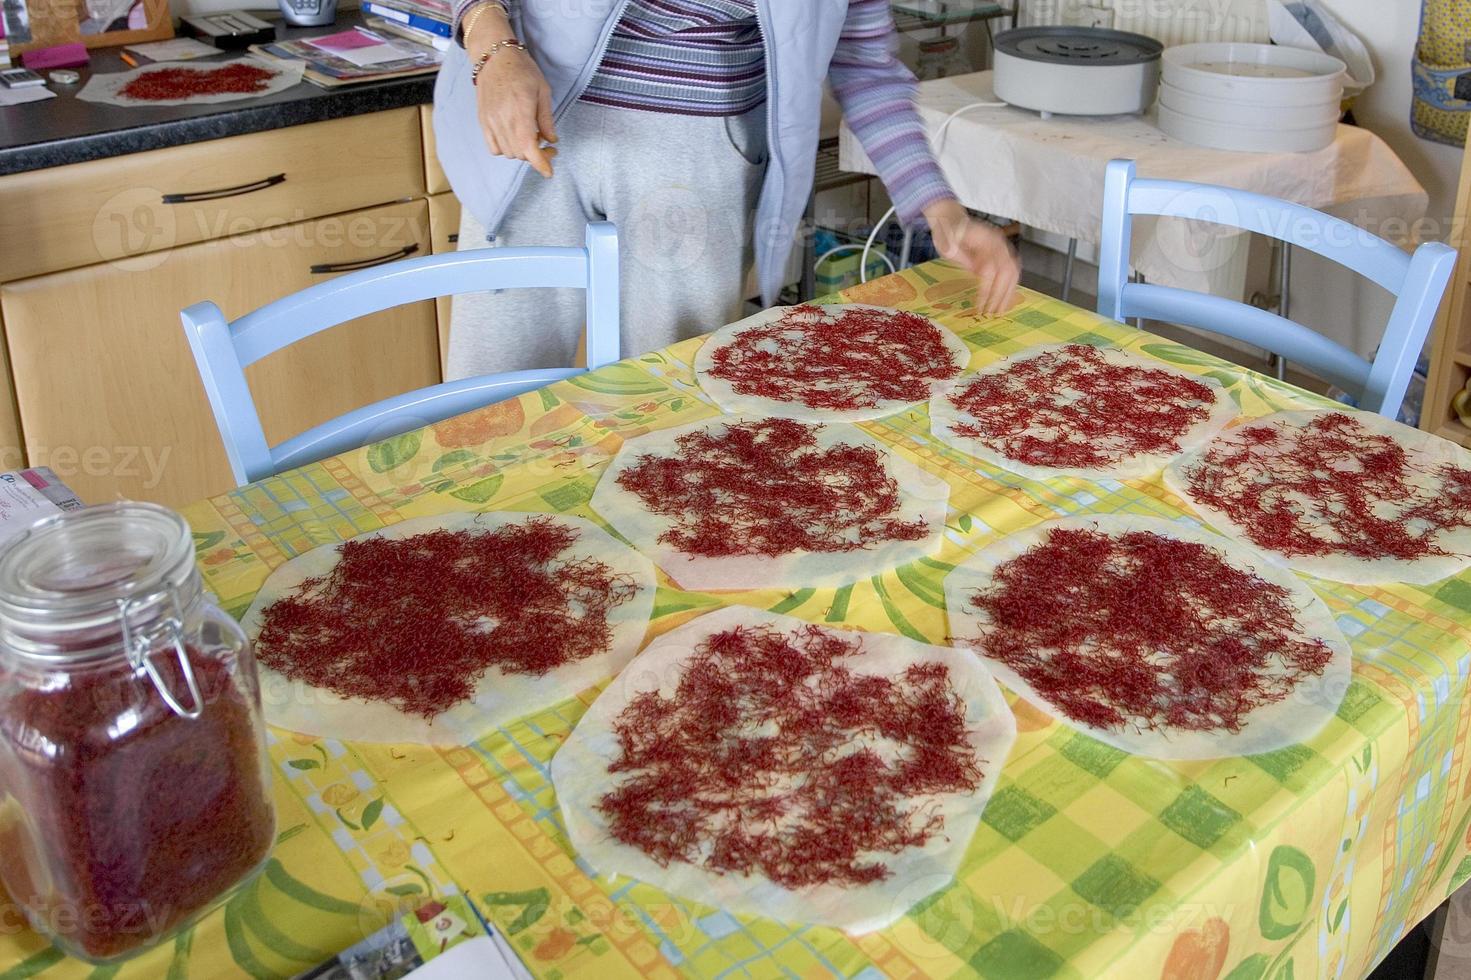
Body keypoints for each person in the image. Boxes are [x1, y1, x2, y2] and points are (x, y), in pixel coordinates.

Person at [433, 0, 1021, 381]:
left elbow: (863, 67)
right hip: (525, 126)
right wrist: (490, 42)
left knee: (673, 408)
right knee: (488, 395)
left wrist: (940, 208)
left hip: (698, 164)